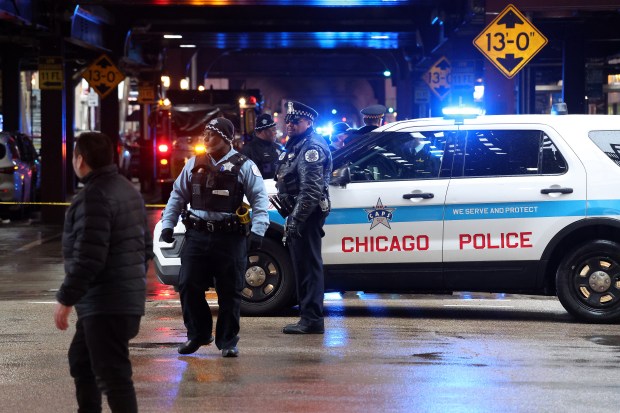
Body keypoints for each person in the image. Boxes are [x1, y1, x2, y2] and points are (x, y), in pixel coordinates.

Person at [54, 132, 152, 413]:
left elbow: (89, 256)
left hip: (107, 304)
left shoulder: (94, 196)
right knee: (82, 361)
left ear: (80, 159)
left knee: (114, 377)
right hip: (118, 300)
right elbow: (146, 246)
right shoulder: (126, 189)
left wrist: (65, 299)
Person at [160, 117, 269, 357]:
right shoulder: (193, 164)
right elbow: (177, 196)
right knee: (188, 284)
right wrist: (168, 224)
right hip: (197, 236)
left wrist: (259, 231)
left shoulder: (244, 165)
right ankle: (198, 334)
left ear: (226, 138)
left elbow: (260, 200)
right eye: (205, 133)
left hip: (230, 239)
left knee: (230, 291)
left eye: (212, 134)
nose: (206, 139)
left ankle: (228, 341)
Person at [273, 101, 332, 334]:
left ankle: (312, 319)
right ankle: (307, 316)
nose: (289, 124)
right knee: (303, 265)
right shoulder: (298, 144)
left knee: (308, 266)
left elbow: (311, 190)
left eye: (295, 121)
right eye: (287, 120)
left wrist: (296, 220)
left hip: (306, 215)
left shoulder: (311, 148)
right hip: (300, 213)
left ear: (309, 122)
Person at [241, 113, 283, 179]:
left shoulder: (278, 148)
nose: (276, 132)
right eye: (273, 130)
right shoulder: (249, 150)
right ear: (264, 131)